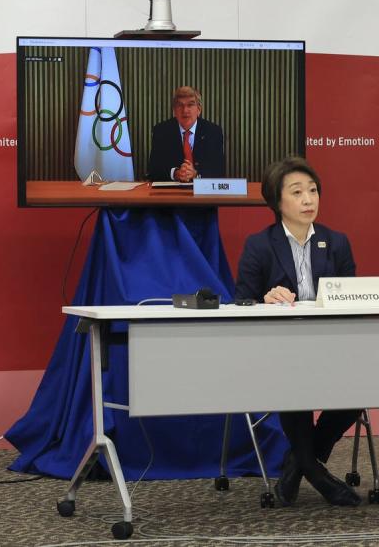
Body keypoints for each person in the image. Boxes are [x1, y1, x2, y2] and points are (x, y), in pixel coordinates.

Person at [234, 156, 362, 507]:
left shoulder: (337, 243)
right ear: (277, 202)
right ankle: (318, 475)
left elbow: (351, 300)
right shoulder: (259, 245)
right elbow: (239, 303)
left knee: (362, 384)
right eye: (297, 192)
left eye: (313, 191)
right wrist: (264, 299)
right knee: (295, 382)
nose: (309, 200)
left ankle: (298, 464)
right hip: (278, 352)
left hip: (330, 348)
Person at [146, 86, 225, 182]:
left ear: (199, 109)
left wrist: (196, 174)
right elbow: (153, 170)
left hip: (203, 193)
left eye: (190, 105)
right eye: (180, 105)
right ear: (174, 111)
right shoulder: (161, 131)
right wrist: (175, 173)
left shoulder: (213, 132)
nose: (185, 111)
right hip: (171, 193)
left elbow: (218, 170)